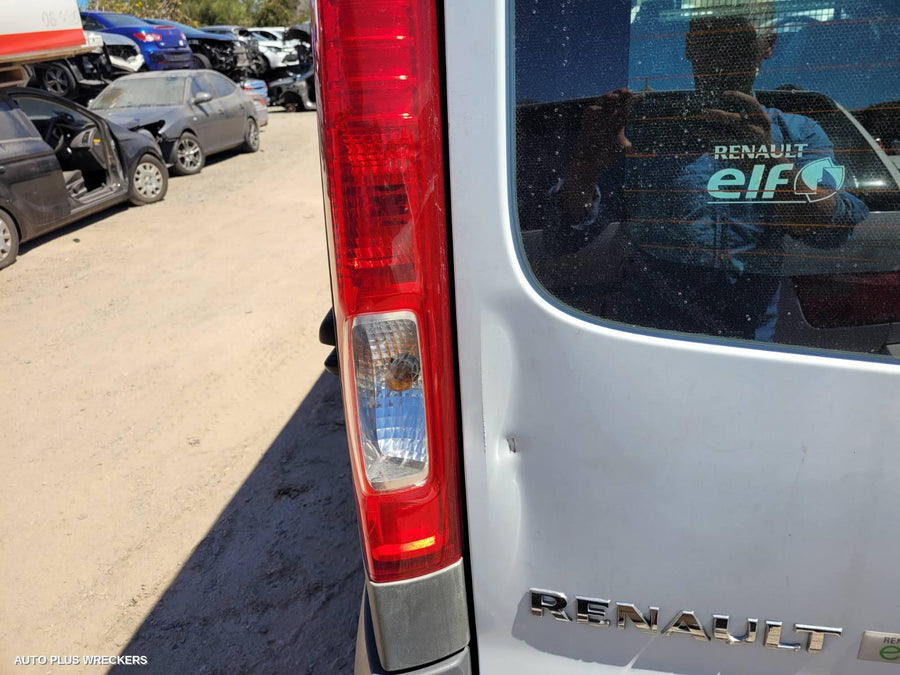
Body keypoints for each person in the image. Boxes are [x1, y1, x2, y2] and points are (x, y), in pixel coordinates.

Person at [546, 2, 869, 341]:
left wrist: (767, 161)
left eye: (738, 38)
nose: (722, 53)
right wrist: (585, 165)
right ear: (690, 45)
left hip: (746, 346)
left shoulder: (797, 133)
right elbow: (564, 238)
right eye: (709, 38)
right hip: (647, 343)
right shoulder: (643, 132)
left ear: (768, 45)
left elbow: (833, 231)